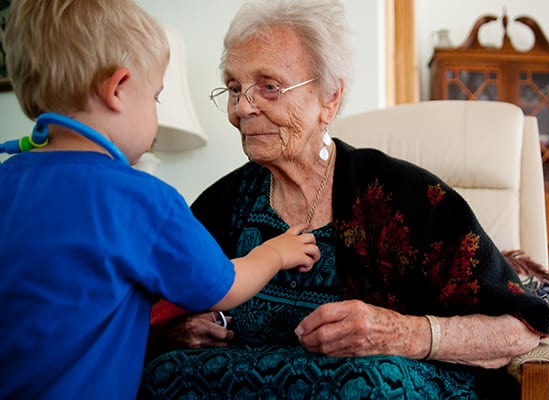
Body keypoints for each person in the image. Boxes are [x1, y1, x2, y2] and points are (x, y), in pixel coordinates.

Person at [142, 0, 549, 398]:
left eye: (268, 87)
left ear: (330, 99)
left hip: (387, 386)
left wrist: (404, 334)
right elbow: (155, 307)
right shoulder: (224, 202)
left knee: (366, 382)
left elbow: (521, 326)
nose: (241, 109)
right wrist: (176, 330)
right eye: (234, 88)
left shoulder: (406, 197)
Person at [0, 1, 320, 399]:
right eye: (155, 96)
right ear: (117, 90)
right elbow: (224, 286)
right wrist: (275, 253)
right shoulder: (141, 199)